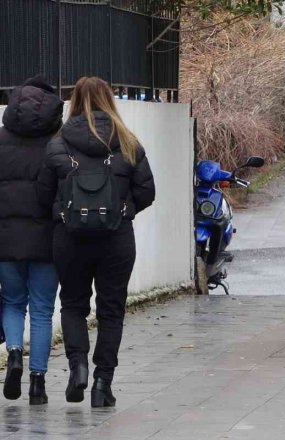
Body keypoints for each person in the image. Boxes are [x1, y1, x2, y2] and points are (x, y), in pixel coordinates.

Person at [37, 76, 155, 407]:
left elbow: (43, 193)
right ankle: (103, 383)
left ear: (74, 101)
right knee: (111, 310)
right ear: (110, 100)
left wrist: (62, 210)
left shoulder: (58, 144)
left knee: (73, 305)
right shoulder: (128, 141)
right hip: (116, 237)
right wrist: (123, 209)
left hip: (69, 237)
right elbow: (147, 190)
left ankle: (78, 368)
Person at [0, 77, 63, 405]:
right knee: (41, 309)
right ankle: (37, 382)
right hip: (46, 240)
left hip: (6, 239)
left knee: (12, 302)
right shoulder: (58, 143)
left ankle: (13, 354)